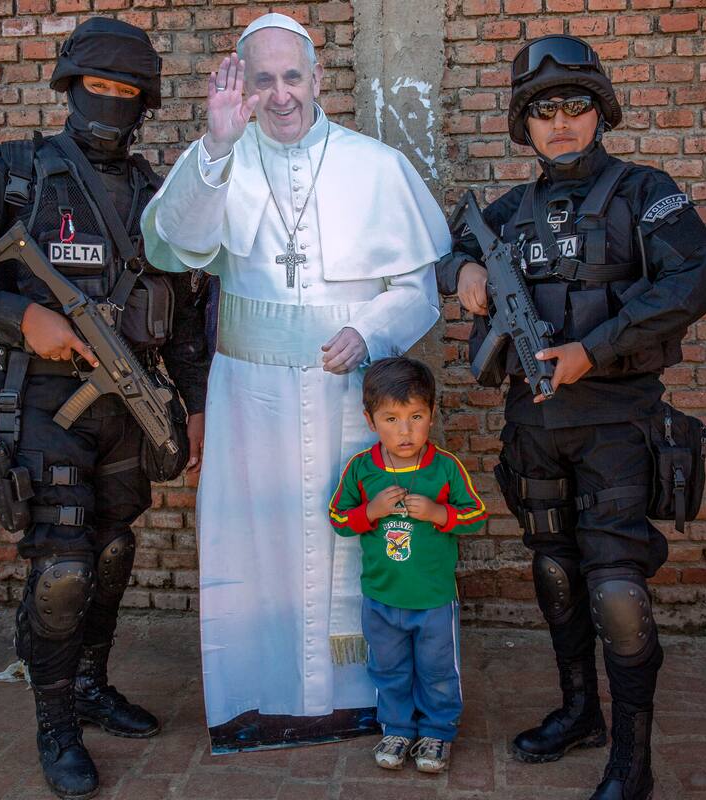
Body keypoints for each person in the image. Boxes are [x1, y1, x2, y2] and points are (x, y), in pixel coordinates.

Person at [0, 18, 210, 799]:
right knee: (63, 568)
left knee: (112, 550)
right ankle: (55, 722)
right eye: (96, 88)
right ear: (69, 89)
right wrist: (19, 316)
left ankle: (91, 685)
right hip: (40, 404)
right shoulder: (16, 175)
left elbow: (182, 312)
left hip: (126, 406)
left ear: (144, 103)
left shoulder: (158, 196)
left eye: (126, 93)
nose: (109, 103)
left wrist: (197, 408)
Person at [141, 13, 449, 752]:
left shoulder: (373, 166)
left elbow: (419, 289)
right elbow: (171, 242)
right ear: (241, 89)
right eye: (262, 80)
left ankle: (371, 701)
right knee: (257, 546)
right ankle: (263, 698)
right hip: (251, 397)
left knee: (359, 537)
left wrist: (370, 330)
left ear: (317, 80)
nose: (280, 96)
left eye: (291, 77)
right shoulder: (219, 157)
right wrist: (214, 144)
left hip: (351, 399)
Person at [436, 35, 706, 800]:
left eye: (575, 106)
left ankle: (633, 759)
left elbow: (691, 284)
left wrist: (594, 349)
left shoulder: (644, 192)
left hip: (620, 422)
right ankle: (578, 712)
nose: (560, 123)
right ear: (524, 124)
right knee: (556, 572)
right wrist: (462, 269)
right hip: (533, 425)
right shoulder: (509, 210)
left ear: (600, 111)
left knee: (617, 590)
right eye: (543, 111)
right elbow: (446, 251)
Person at [327, 357, 487, 774]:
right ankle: (396, 728)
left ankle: (437, 732)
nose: (405, 430)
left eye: (415, 416)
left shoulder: (445, 468)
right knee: (388, 668)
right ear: (370, 420)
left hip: (433, 599)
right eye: (391, 418)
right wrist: (372, 510)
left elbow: (476, 516)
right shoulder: (362, 470)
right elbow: (339, 520)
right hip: (381, 598)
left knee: (436, 670)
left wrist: (438, 513)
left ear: (431, 415)